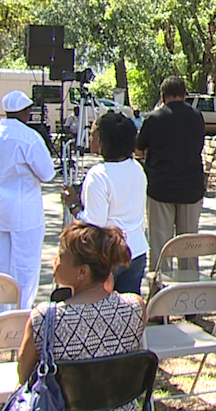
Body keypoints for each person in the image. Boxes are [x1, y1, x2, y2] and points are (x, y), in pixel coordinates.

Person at [18, 222, 145, 411]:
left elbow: (24, 377)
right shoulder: (135, 307)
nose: (55, 260)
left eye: (61, 256)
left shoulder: (44, 318)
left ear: (82, 272)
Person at [0, 90, 56, 315]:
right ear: (25, 111)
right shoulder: (29, 137)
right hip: (25, 208)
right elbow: (47, 173)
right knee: (25, 263)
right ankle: (21, 311)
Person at [60, 113, 148, 295]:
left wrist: (74, 207)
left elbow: (94, 224)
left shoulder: (98, 175)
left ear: (102, 140)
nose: (89, 138)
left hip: (108, 255)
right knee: (127, 311)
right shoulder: (137, 168)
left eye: (92, 134)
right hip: (137, 249)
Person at [136, 76, 205, 271]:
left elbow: (140, 149)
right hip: (191, 187)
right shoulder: (196, 116)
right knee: (189, 245)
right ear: (185, 94)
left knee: (160, 244)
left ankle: (160, 289)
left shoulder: (154, 118)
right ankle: (190, 286)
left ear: (163, 97)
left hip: (161, 187)